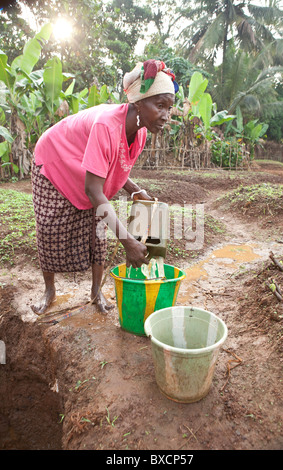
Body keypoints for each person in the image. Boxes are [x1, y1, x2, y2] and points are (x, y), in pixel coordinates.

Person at [31, 59, 178, 315]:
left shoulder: (140, 131)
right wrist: (128, 242)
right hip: (55, 160)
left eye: (170, 107)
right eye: (160, 105)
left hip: (84, 168)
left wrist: (134, 190)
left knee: (98, 230)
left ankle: (96, 292)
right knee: (49, 230)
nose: (166, 115)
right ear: (139, 103)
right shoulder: (107, 125)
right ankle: (49, 291)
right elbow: (94, 190)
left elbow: (115, 165)